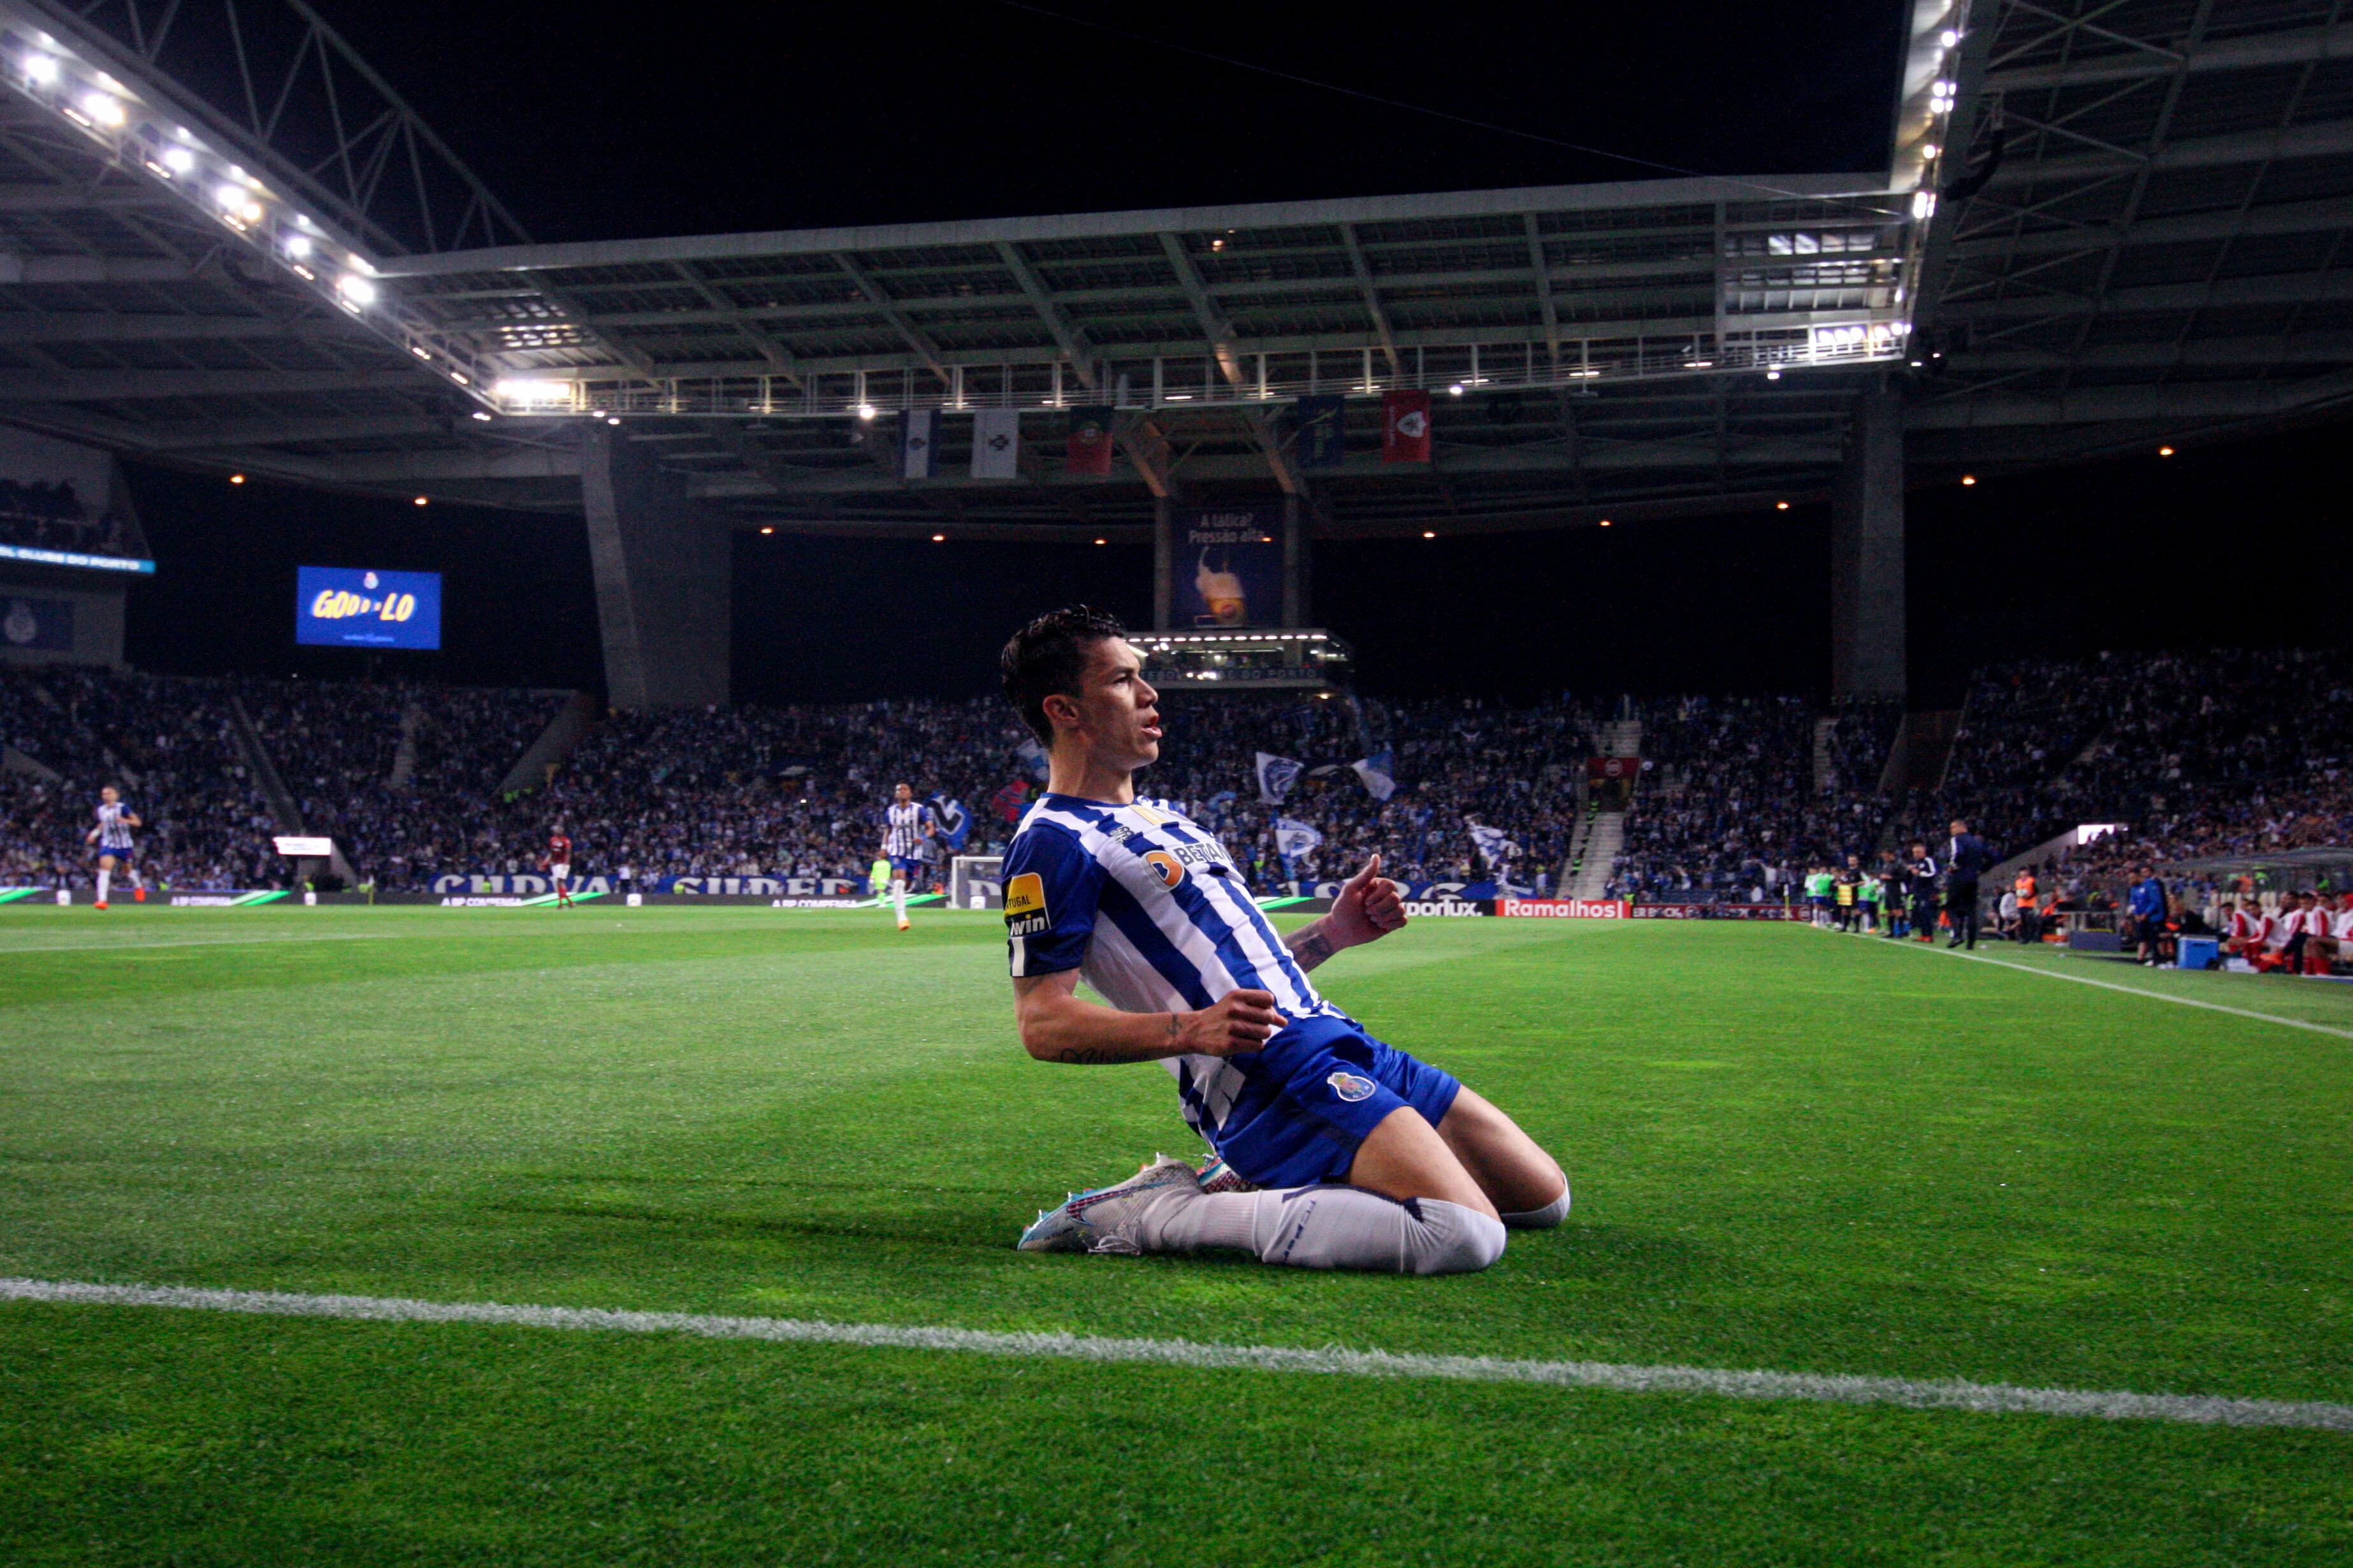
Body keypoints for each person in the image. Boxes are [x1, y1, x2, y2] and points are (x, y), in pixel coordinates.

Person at [997, 606, 1567, 1275]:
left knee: (1538, 1201)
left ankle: (1256, 1174)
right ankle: (1154, 1213)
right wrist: (1192, 1029)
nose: (1150, 696)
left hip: (1332, 1035)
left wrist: (1333, 933)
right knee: (1460, 1233)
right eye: (1122, 681)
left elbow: (1239, 968)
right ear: (1064, 710)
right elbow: (1042, 1021)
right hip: (1264, 1075)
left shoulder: (1163, 817)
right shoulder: (1051, 842)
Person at [880, 781, 934, 931]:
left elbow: (931, 828)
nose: (902, 792)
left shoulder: (919, 810)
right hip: (896, 851)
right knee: (899, 881)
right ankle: (902, 918)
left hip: (913, 853)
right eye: (899, 790)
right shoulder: (890, 812)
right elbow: (888, 831)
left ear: (910, 793)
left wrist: (923, 838)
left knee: (907, 885)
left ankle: (897, 888)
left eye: (905, 789)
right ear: (896, 795)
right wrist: (884, 847)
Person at [84, 784, 144, 910]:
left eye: (109, 793)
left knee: (128, 871)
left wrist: (125, 821)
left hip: (125, 845)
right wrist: (94, 834)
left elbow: (138, 822)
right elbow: (103, 824)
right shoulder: (101, 810)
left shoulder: (123, 808)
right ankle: (102, 900)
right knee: (105, 868)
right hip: (109, 844)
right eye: (104, 794)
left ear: (116, 795)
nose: (106, 796)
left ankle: (138, 886)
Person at [1942, 819, 1996, 950]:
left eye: (1952, 827)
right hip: (1973, 879)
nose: (1951, 830)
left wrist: (1952, 866)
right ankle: (1971, 943)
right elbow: (1990, 857)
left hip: (1959, 877)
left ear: (1961, 827)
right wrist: (1981, 870)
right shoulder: (1976, 841)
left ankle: (1957, 935)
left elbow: (1957, 853)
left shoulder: (1957, 839)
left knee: (1951, 906)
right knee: (1971, 910)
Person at [1906, 841, 1940, 942]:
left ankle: (1929, 935)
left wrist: (1920, 873)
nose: (1916, 854)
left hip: (1926, 891)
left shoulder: (1928, 861)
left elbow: (1933, 873)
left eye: (1918, 852)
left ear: (1924, 852)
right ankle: (1923, 934)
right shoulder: (1916, 863)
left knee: (1925, 912)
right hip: (1917, 891)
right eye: (1914, 852)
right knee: (1918, 913)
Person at [546, 826, 574, 909]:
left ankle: (563, 903)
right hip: (555, 863)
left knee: (560, 881)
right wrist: (548, 862)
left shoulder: (566, 840)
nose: (557, 831)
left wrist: (566, 864)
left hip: (563, 863)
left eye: (559, 830)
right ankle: (568, 902)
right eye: (556, 830)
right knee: (560, 883)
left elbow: (568, 853)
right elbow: (551, 852)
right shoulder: (552, 840)